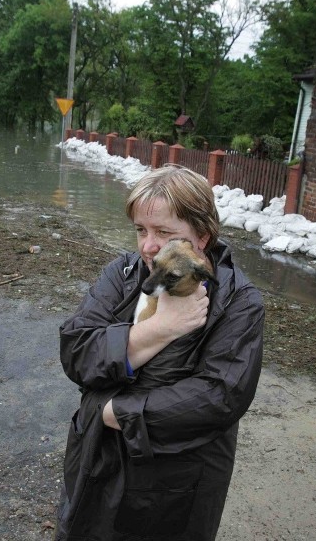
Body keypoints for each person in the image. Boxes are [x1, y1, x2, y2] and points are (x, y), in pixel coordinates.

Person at [56, 164, 264, 541]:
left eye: (164, 233)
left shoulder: (238, 302)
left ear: (201, 237)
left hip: (175, 484)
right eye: (141, 230)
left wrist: (113, 411)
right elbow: (77, 351)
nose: (147, 246)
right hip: (97, 457)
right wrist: (160, 328)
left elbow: (218, 398)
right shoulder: (123, 273)